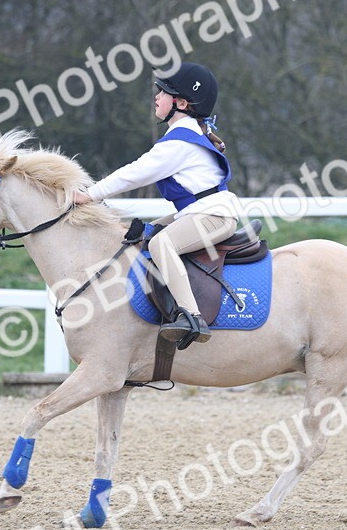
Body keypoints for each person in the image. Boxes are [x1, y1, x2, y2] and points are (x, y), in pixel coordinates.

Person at [73, 62, 240, 347]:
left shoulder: (179, 142)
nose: (156, 97)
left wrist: (92, 194)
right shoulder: (185, 134)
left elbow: (136, 172)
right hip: (200, 213)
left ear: (182, 103)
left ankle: (192, 317)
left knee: (162, 245)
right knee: (145, 234)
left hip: (212, 216)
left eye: (163, 92)